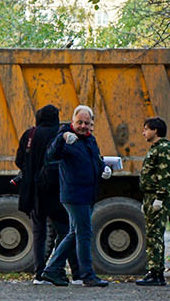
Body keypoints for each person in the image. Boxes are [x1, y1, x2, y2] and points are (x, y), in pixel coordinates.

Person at [37, 105, 111, 287]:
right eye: (80, 122)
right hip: (74, 194)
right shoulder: (66, 138)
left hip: (87, 193)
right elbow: (50, 156)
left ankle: (51, 270)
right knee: (84, 233)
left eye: (87, 123)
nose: (83, 126)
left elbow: (96, 160)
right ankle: (87, 275)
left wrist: (104, 168)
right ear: (73, 121)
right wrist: (62, 138)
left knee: (74, 233)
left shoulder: (89, 140)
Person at [15, 104, 64, 277]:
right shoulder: (59, 134)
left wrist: (30, 171)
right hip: (56, 189)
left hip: (34, 190)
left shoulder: (30, 134)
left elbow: (19, 160)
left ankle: (39, 271)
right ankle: (61, 269)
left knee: (39, 232)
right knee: (64, 231)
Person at [137, 116, 170, 285]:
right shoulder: (156, 148)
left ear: (155, 131)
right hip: (150, 196)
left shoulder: (163, 148)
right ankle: (156, 272)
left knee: (155, 235)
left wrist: (159, 198)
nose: (143, 132)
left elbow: (165, 176)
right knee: (153, 235)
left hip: (157, 197)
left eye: (146, 129)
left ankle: (155, 272)